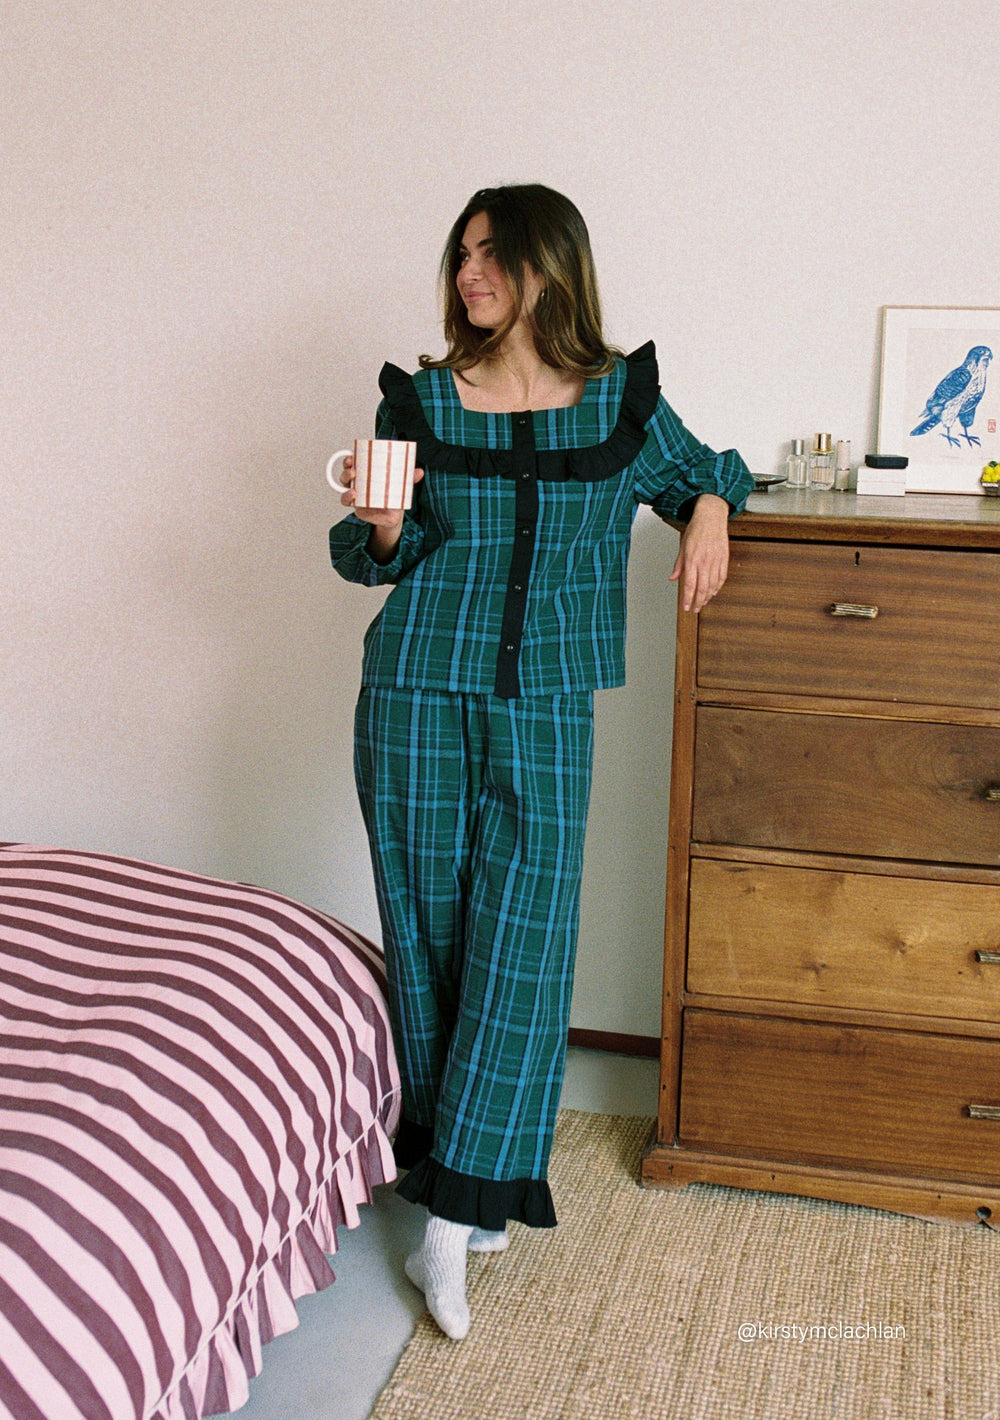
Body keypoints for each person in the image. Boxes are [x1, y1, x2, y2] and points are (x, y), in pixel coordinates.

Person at [330, 184, 753, 1339]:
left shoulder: (621, 403)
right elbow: (379, 554)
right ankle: (455, 1190)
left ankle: (456, 1212)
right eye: (460, 254)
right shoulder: (419, 400)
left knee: (524, 939)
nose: (469, 273)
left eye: (490, 254)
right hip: (414, 691)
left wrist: (710, 504)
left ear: (546, 265)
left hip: (548, 704)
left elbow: (710, 466)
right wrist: (379, 520)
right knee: (426, 936)